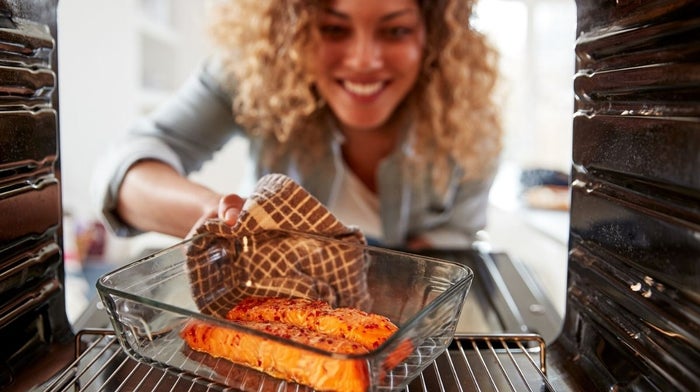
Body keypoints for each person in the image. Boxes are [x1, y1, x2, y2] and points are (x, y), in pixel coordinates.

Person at [92, 0, 502, 250]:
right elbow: (124, 170)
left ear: (431, 35)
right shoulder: (251, 74)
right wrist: (222, 218)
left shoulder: (467, 119)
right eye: (334, 29)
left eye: (395, 30)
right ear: (294, 30)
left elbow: (455, 241)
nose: (363, 60)